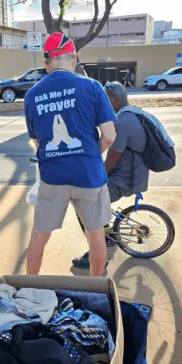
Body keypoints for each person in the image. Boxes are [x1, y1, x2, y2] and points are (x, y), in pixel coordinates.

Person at [24, 32, 117, 277]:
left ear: (46, 64)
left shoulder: (32, 95)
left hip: (52, 177)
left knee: (39, 235)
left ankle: (28, 286)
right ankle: (96, 286)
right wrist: (92, 154)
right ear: (74, 58)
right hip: (88, 175)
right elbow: (109, 135)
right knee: (95, 233)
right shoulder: (91, 87)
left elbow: (37, 141)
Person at [72, 82, 149, 269]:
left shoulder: (122, 122)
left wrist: (91, 178)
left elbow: (112, 159)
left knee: (83, 200)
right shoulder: (131, 113)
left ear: (113, 99)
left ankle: (97, 252)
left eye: (104, 100)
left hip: (124, 180)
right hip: (132, 175)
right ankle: (107, 235)